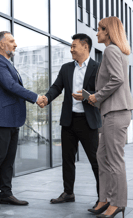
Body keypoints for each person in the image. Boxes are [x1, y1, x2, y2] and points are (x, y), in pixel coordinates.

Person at [0, 31, 46, 209]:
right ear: (1, 44)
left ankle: (6, 194)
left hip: (11, 119)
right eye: (12, 41)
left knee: (8, 159)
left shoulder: (8, 64)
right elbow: (11, 86)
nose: (15, 44)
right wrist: (35, 97)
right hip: (0, 119)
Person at [41, 34, 101, 208]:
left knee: (95, 161)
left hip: (88, 122)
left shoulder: (98, 68)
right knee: (67, 159)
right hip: (69, 121)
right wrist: (46, 98)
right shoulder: (66, 68)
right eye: (71, 46)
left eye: (74, 46)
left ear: (85, 47)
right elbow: (56, 87)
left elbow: (102, 92)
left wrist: (87, 96)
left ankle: (102, 197)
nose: (71, 49)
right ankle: (68, 193)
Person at [87, 16, 133, 218]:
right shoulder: (116, 51)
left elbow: (117, 79)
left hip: (116, 112)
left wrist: (96, 96)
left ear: (107, 31)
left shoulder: (111, 50)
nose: (96, 33)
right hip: (111, 111)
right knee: (102, 157)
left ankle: (118, 203)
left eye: (99, 29)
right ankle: (105, 198)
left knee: (114, 160)